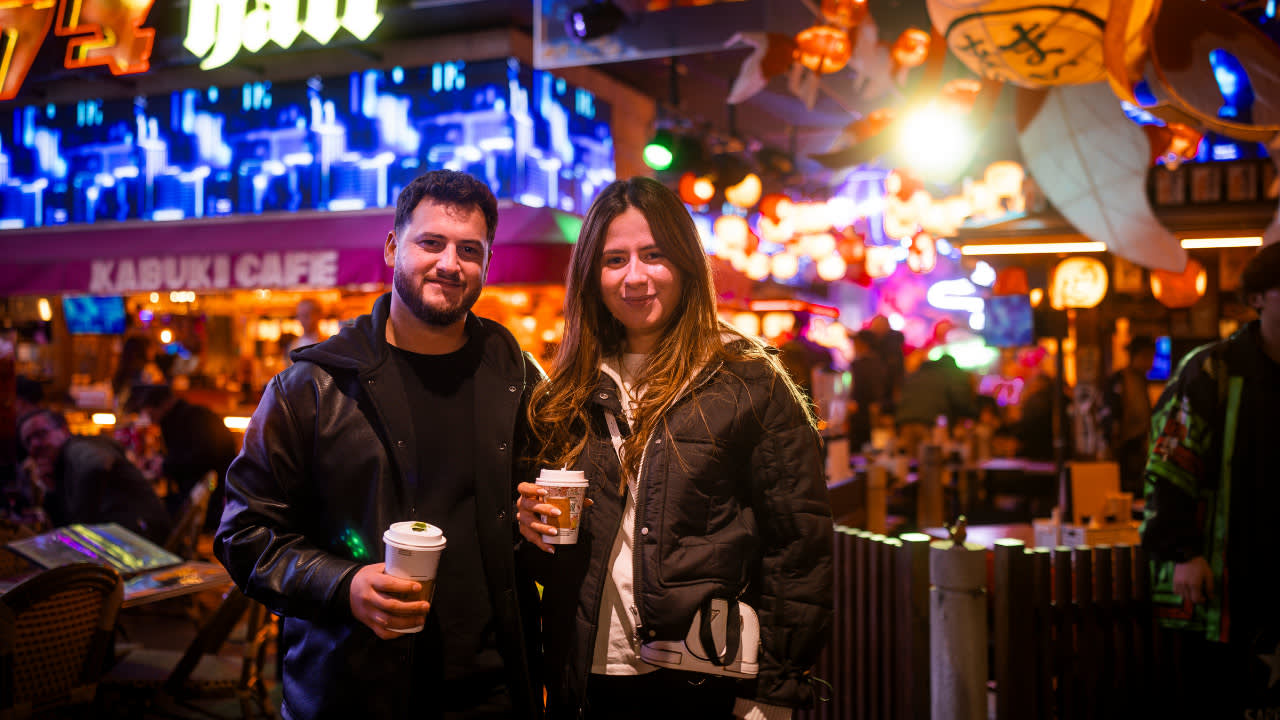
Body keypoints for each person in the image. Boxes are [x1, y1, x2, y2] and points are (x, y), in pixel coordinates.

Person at [215, 170, 545, 720]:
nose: (450, 263)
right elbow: (244, 534)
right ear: (393, 248)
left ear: (488, 262)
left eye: (469, 249)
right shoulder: (311, 387)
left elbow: (540, 524)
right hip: (354, 689)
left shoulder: (520, 379)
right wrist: (343, 585)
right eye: (431, 243)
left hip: (493, 690)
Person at [515, 177, 833, 720]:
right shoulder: (565, 391)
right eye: (615, 260)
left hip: (702, 678)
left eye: (654, 255)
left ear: (686, 262)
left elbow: (799, 550)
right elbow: (538, 556)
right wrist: (527, 529)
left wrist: (773, 692)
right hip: (583, 674)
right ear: (591, 274)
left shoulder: (747, 380)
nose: (634, 276)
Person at [1141, 241, 1280, 715]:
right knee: (1222, 696)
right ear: (1257, 299)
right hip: (1220, 573)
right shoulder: (1213, 368)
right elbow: (1170, 461)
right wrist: (1183, 552)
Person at [17, 408, 171, 543]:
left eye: (41, 434)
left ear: (64, 430)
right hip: (131, 537)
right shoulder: (61, 466)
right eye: (28, 441)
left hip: (143, 538)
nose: (35, 444)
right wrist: (51, 487)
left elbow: (96, 465)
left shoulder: (78, 447)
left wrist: (81, 528)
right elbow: (62, 525)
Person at [125, 384, 239, 530]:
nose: (151, 420)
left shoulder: (190, 418)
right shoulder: (188, 416)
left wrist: (165, 465)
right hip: (206, 497)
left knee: (147, 513)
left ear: (164, 405)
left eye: (151, 414)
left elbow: (200, 458)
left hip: (210, 502)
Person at [1102, 335, 1155, 494]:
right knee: (1126, 488)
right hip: (1125, 447)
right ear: (1135, 356)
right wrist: (1112, 440)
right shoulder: (1120, 379)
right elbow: (1111, 414)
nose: (1151, 361)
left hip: (1140, 445)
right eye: (1147, 356)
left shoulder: (1141, 379)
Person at [846, 329, 888, 454]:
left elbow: (854, 389)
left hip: (860, 412)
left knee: (859, 449)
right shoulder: (880, 362)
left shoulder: (858, 364)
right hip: (876, 411)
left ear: (863, 344)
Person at [285, 298, 327, 366]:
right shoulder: (292, 346)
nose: (302, 320)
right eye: (300, 316)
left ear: (319, 316)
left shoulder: (327, 344)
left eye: (306, 315)